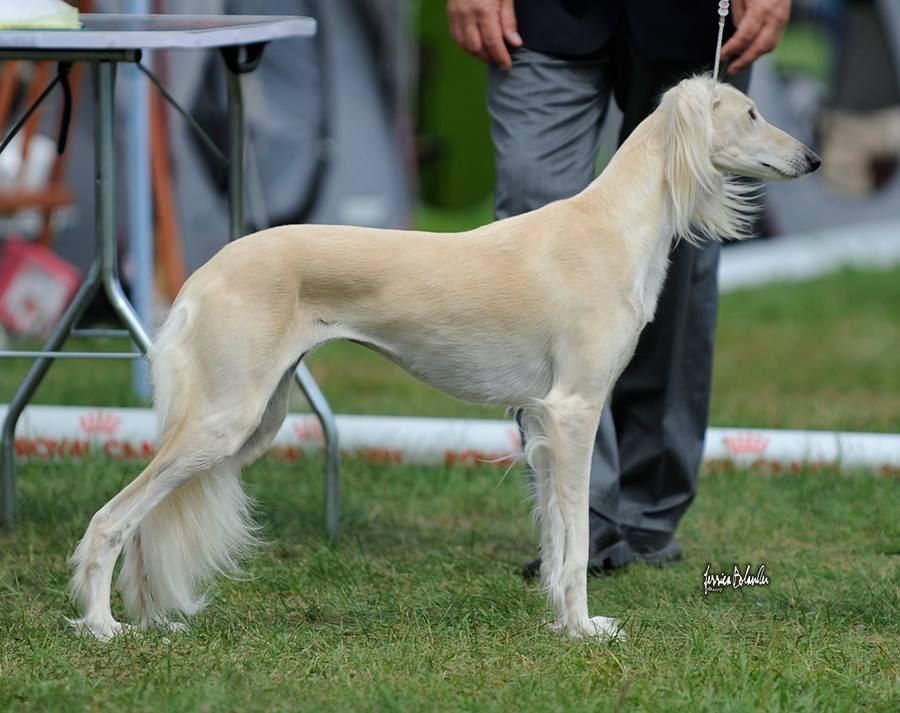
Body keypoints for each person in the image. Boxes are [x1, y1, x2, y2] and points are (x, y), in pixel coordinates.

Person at [446, 0, 791, 574]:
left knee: (680, 246)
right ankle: (586, 516)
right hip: (536, 19)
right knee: (530, 230)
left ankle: (647, 505)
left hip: (697, 18)